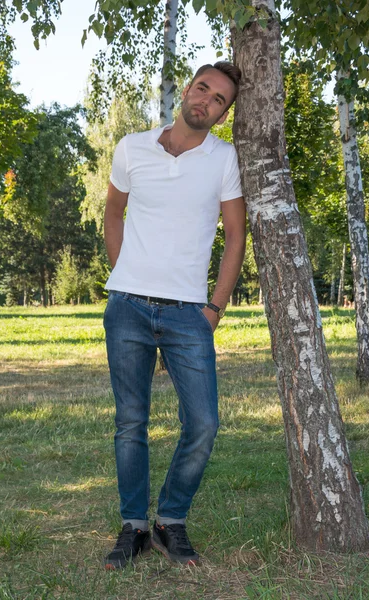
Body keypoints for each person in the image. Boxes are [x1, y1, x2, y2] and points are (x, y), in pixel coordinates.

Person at [103, 61, 246, 570]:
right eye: (202, 88)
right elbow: (113, 212)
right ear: (187, 88)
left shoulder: (224, 158)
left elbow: (235, 236)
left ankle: (171, 518)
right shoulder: (131, 147)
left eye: (219, 100)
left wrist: (214, 307)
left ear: (223, 115)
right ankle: (134, 527)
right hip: (126, 309)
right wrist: (128, 275)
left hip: (190, 313)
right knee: (131, 422)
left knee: (204, 422)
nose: (205, 100)